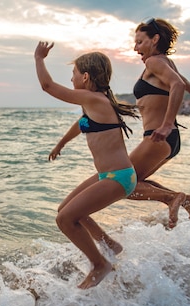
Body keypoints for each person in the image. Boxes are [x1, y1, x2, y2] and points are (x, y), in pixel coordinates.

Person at [35, 41, 139, 289]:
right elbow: (83, 123)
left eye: (73, 75)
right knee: (65, 209)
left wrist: (39, 58)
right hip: (110, 175)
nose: (71, 80)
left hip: (119, 177)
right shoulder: (93, 102)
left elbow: (47, 86)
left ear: (85, 76)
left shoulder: (95, 100)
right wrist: (61, 144)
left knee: (66, 219)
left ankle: (100, 264)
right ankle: (110, 245)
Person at [129, 17, 190, 228]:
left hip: (159, 135)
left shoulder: (154, 62)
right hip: (169, 140)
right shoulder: (165, 63)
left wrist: (167, 123)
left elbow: (178, 86)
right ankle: (183, 199)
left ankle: (172, 199)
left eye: (140, 42)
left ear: (155, 39)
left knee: (121, 183)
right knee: (134, 181)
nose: (135, 48)